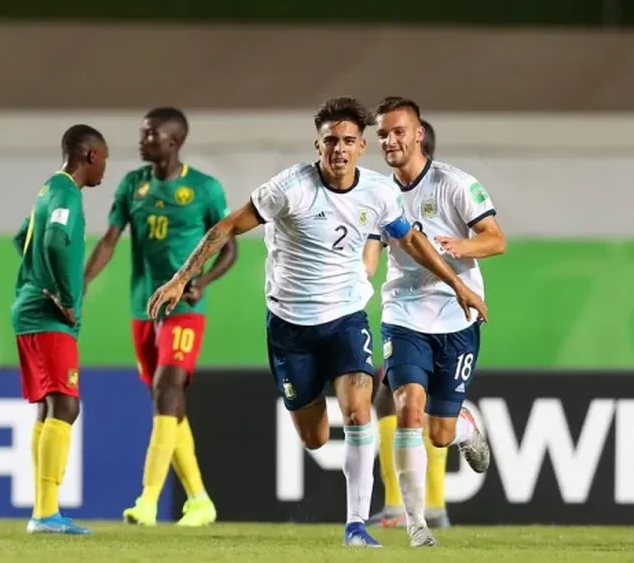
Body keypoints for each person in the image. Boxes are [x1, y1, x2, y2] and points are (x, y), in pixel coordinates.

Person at [145, 96, 488, 547]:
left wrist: (458, 285)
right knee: (315, 437)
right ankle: (362, 509)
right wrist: (180, 278)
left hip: (345, 318)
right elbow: (226, 227)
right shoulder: (289, 188)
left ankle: (356, 526)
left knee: (359, 411)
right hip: (290, 327)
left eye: (348, 140)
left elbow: (413, 242)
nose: (339, 149)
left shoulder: (379, 192)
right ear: (318, 145)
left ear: (361, 146)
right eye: (330, 141)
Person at [83, 107, 236, 527]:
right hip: (142, 309)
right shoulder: (133, 185)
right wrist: (82, 283)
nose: (142, 140)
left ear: (174, 141)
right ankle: (200, 500)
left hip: (184, 309)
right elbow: (110, 240)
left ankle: (147, 501)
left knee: (167, 390)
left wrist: (203, 282)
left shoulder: (204, 189)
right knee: (166, 402)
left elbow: (229, 248)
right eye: (142, 133)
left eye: (151, 134)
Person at [363, 96, 504, 547]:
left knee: (440, 434)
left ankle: (464, 427)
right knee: (406, 407)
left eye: (398, 132)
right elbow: (370, 256)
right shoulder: (377, 194)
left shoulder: (455, 184)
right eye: (383, 134)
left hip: (457, 314)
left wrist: (463, 246)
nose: (390, 141)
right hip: (402, 313)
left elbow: (496, 240)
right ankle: (415, 522)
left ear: (418, 134)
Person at [13, 124, 109, 535]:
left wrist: (36, 277)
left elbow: (23, 237)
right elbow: (52, 241)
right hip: (48, 316)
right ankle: (46, 513)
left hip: (30, 309)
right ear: (90, 155)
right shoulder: (67, 192)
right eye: (104, 159)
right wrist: (65, 295)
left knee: (49, 406)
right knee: (66, 406)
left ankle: (44, 510)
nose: (104, 168)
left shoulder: (47, 189)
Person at [368, 116, 455, 530]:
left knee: (404, 404)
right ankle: (425, 507)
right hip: (417, 314)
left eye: (398, 138)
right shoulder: (397, 191)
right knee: (398, 400)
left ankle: (407, 506)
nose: (391, 145)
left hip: (431, 316)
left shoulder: (434, 190)